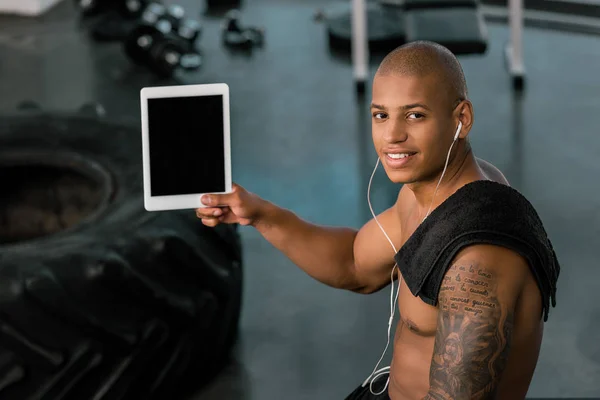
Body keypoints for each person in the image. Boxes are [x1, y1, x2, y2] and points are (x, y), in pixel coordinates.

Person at [195, 41, 560, 400]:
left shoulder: (479, 261)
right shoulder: (428, 194)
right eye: (381, 115)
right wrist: (259, 213)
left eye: (415, 115)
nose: (392, 136)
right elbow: (355, 263)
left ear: (460, 119)